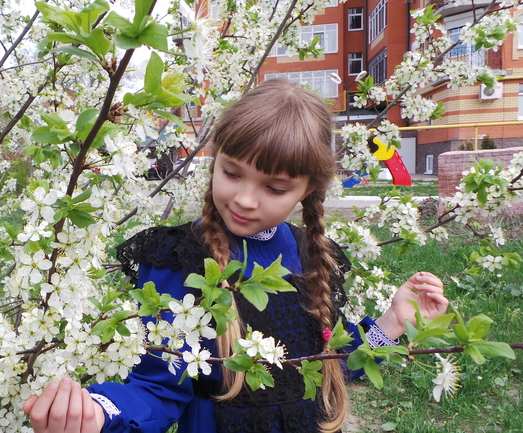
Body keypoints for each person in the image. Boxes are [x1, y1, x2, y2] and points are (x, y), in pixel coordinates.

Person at [23, 79, 449, 433]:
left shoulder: (313, 256)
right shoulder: (178, 260)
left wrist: (392, 324)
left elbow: (330, 362)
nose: (245, 199)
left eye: (274, 188)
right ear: (215, 161)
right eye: (231, 172)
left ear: (308, 191)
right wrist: (99, 411)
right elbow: (159, 385)